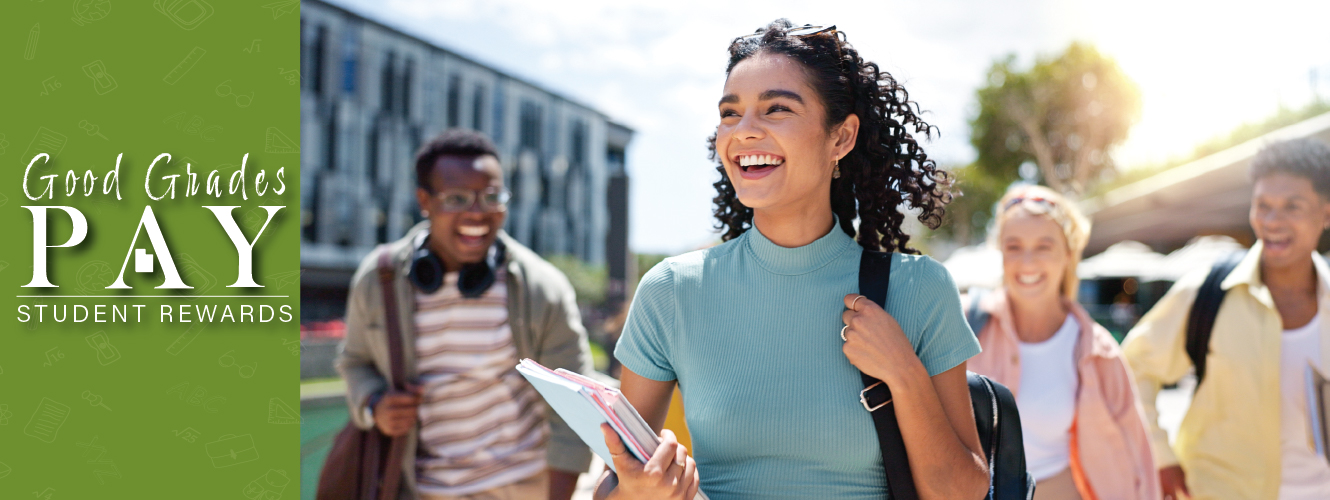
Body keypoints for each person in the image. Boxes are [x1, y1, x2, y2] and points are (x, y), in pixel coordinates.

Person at [594, 20, 989, 500]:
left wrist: (904, 375)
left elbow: (965, 492)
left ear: (841, 138)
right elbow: (612, 482)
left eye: (777, 108)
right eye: (730, 113)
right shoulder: (672, 291)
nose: (744, 131)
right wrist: (638, 492)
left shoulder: (918, 289)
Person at [337, 129, 596, 500]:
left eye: (491, 197)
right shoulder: (378, 279)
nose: (477, 213)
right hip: (419, 491)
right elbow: (355, 363)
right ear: (424, 201)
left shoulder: (544, 288)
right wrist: (374, 404)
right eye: (457, 198)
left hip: (523, 490)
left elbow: (574, 411)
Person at [1122, 138, 1330, 500]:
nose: (1272, 222)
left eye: (1292, 207)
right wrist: (1160, 455)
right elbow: (1131, 367)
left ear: (1326, 214)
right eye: (1263, 206)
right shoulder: (1206, 291)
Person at [967, 185, 1159, 499]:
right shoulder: (963, 327)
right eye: (1014, 246)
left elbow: (1138, 455)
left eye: (1044, 246)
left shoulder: (1098, 351)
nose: (1028, 261)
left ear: (1068, 255)